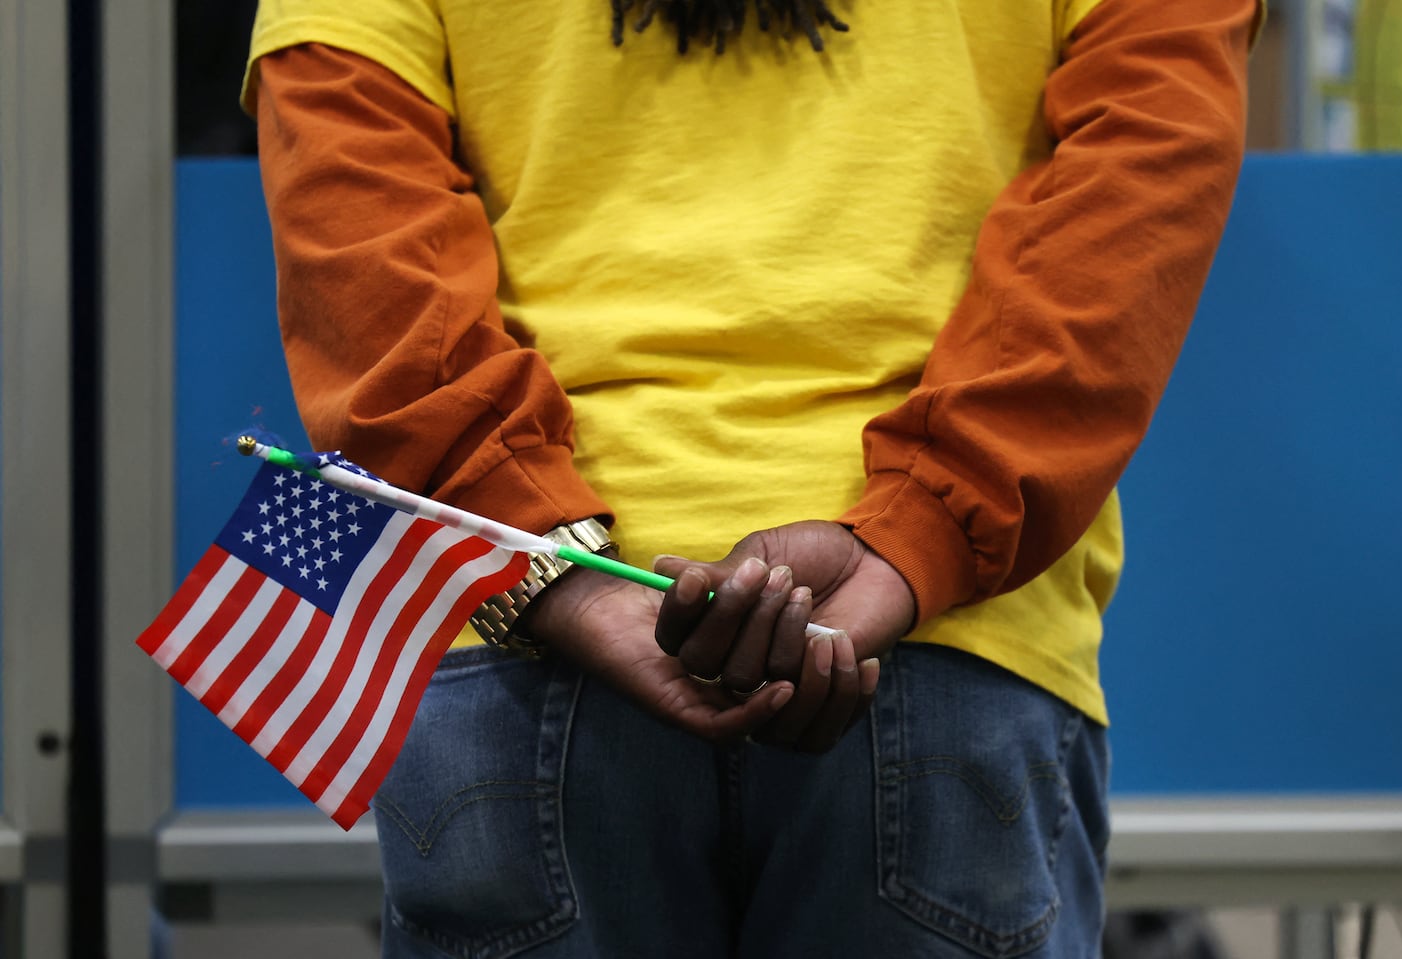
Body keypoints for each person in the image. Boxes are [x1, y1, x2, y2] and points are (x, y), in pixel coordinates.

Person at [243, 0, 1259, 954]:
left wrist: (549, 561)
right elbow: (1144, 170)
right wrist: (918, 530)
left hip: (526, 651)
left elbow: (353, 212)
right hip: (943, 642)